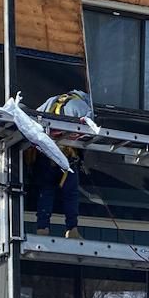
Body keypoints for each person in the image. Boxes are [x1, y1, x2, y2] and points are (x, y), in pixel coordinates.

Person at [30, 89, 93, 239]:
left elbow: (32, 117)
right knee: (70, 194)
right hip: (67, 158)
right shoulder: (81, 105)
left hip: (47, 155)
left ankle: (42, 228)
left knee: (46, 191)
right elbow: (91, 127)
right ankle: (72, 229)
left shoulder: (52, 100)